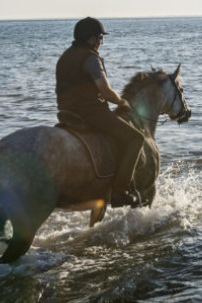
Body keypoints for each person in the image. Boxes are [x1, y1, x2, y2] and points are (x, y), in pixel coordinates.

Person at [55, 17, 144, 207]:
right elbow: (105, 91)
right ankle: (119, 191)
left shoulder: (65, 57)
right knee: (136, 139)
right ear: (91, 39)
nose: (101, 42)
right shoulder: (90, 59)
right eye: (100, 37)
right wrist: (123, 102)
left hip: (66, 112)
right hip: (91, 113)